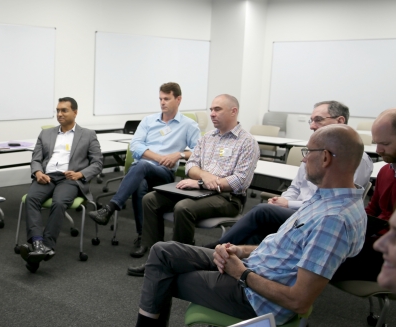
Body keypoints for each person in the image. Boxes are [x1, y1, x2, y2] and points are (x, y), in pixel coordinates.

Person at [84, 124, 367, 327]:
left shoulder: (333, 220)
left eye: (308, 154)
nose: (304, 162)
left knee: (161, 276)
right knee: (163, 251)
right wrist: (241, 251)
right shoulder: (326, 200)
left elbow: (298, 301)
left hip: (255, 297)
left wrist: (241, 273)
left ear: (326, 158)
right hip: (250, 269)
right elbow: (286, 249)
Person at [197, 101, 372, 250]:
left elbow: (333, 203)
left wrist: (288, 203)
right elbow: (296, 187)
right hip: (297, 210)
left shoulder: (355, 159)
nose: (311, 125)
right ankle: (224, 257)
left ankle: (216, 248)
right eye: (311, 120)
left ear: (340, 120)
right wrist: (283, 201)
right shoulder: (313, 152)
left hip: (318, 217)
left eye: (318, 120)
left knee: (262, 212)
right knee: (257, 234)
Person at [130, 94, 259, 271]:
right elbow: (191, 165)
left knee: (183, 207)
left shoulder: (247, 142)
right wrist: (204, 176)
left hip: (227, 198)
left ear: (233, 111)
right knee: (150, 199)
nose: (212, 113)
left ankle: (179, 263)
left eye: (217, 109)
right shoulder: (207, 138)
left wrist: (200, 183)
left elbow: (240, 181)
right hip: (198, 190)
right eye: (211, 109)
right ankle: (155, 260)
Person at [87, 83, 200, 258]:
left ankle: (110, 207)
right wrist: (157, 157)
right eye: (160, 99)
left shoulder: (189, 125)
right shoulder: (149, 121)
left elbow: (198, 151)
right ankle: (144, 238)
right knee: (140, 185)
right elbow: (136, 145)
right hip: (145, 168)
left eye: (167, 99)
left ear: (178, 99)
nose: (162, 103)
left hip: (164, 174)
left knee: (141, 165)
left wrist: (177, 155)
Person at [18, 97, 102, 273]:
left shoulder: (88, 135)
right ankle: (39, 244)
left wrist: (80, 174)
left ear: (75, 112)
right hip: (47, 176)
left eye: (64, 110)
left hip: (70, 178)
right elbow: (36, 159)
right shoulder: (46, 134)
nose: (59, 114)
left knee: (59, 202)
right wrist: (38, 172)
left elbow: (97, 163)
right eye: (58, 110)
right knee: (31, 198)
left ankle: (44, 246)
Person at [332, 109, 396, 282]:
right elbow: (372, 209)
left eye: (385, 143)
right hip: (376, 237)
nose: (378, 150)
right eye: (376, 142)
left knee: (325, 252)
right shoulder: (385, 171)